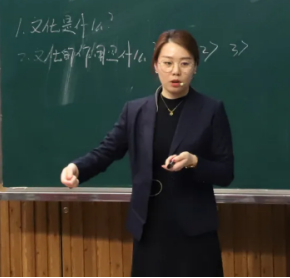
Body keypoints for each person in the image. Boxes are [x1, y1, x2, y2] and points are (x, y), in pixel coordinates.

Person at [61, 30, 234, 278]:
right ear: (155, 66)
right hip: (150, 226)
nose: (176, 72)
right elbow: (107, 150)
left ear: (195, 66)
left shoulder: (211, 109)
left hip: (195, 230)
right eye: (168, 63)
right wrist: (77, 168)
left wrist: (194, 162)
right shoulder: (135, 111)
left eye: (185, 63)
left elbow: (225, 172)